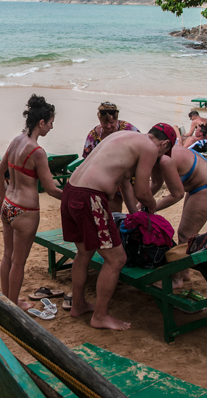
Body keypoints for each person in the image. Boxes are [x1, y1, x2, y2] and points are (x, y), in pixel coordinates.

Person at [61, 123, 176, 330]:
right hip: (91, 198)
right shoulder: (149, 147)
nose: (159, 159)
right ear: (165, 144)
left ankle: (78, 304)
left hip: (71, 191)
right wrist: (152, 207)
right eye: (164, 154)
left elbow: (125, 184)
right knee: (117, 259)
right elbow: (142, 191)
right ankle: (100, 316)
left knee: (84, 252)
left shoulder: (125, 136)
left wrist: (135, 215)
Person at [0, 95, 63, 310]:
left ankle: (7, 298)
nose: (51, 127)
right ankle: (13, 305)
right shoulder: (37, 152)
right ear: (41, 122)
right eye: (51, 123)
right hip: (25, 210)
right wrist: (73, 195)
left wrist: (1, 197)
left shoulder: (16, 140)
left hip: (8, 205)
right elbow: (51, 189)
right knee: (19, 261)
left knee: (8, 255)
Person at [147, 144, 207, 288]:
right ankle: (185, 273)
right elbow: (156, 183)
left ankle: (177, 280)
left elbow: (177, 195)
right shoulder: (154, 155)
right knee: (187, 235)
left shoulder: (165, 160)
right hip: (195, 188)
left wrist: (152, 207)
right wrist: (141, 204)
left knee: (185, 235)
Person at [81, 102, 139, 212]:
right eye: (105, 123)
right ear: (99, 120)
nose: (108, 126)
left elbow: (143, 149)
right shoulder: (93, 137)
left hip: (131, 178)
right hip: (109, 180)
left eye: (112, 122)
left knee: (135, 209)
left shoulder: (129, 130)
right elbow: (87, 162)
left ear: (117, 119)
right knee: (114, 213)